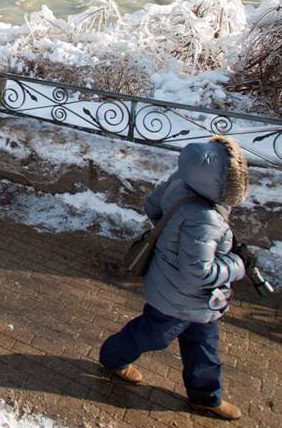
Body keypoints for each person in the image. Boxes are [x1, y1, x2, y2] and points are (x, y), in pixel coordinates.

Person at [99, 135, 254, 421]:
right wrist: (238, 263)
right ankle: (112, 356)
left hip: (192, 296)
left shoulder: (183, 182)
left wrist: (171, 239)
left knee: (204, 344)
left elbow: (152, 205)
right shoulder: (204, 217)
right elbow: (199, 272)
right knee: (153, 334)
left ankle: (206, 397)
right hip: (178, 295)